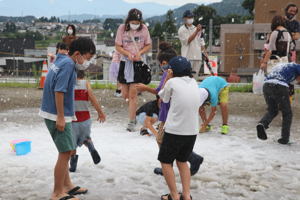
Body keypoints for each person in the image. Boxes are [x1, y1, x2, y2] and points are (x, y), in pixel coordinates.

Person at [39, 37, 96, 200]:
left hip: (53, 112)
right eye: (87, 58)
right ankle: (57, 192)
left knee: (68, 149)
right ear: (77, 54)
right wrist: (61, 118)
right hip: (56, 114)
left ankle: (67, 185)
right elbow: (59, 91)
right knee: (65, 153)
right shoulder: (69, 66)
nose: (87, 62)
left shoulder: (63, 58)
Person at [136, 42, 204, 177]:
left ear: (165, 62)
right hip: (173, 115)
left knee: (164, 141)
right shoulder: (183, 78)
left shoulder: (170, 76)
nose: (162, 66)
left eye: (162, 63)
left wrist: (145, 88)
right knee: (169, 142)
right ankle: (172, 164)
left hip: (168, 114)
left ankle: (169, 165)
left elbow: (160, 92)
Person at [158, 56, 208, 200]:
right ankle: (186, 196)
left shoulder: (172, 82)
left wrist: (167, 79)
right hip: (191, 131)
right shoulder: (193, 82)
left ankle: (174, 196)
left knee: (166, 162)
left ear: (171, 71)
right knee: (182, 161)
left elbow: (163, 98)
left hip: (175, 130)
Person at [115, 8, 152, 132]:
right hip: (125, 63)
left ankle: (131, 121)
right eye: (133, 22)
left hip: (138, 64)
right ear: (128, 21)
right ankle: (134, 114)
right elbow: (118, 46)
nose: (135, 25)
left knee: (133, 94)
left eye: (137, 22)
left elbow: (148, 44)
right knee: (125, 94)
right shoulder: (121, 29)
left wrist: (140, 52)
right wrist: (127, 53)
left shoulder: (144, 29)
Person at [69, 70, 106, 172]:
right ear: (83, 75)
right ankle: (91, 147)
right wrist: (100, 112)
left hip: (73, 120)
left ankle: (73, 166)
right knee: (86, 137)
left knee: (72, 144)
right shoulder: (86, 83)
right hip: (85, 119)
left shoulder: (69, 84)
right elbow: (93, 99)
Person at [256, 62, 300, 145]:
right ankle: (284, 139)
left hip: (266, 85)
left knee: (272, 110)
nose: (298, 81)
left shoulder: (282, 67)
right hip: (279, 85)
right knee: (287, 113)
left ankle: (262, 124)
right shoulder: (297, 66)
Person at [178, 10, 206, 81]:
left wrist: (204, 53)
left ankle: (193, 91)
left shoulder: (197, 28)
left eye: (192, 17)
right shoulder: (181, 30)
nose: (191, 18)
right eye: (189, 17)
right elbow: (188, 41)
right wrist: (196, 31)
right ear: (184, 19)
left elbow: (201, 42)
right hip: (187, 57)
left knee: (194, 78)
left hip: (198, 57)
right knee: (186, 78)